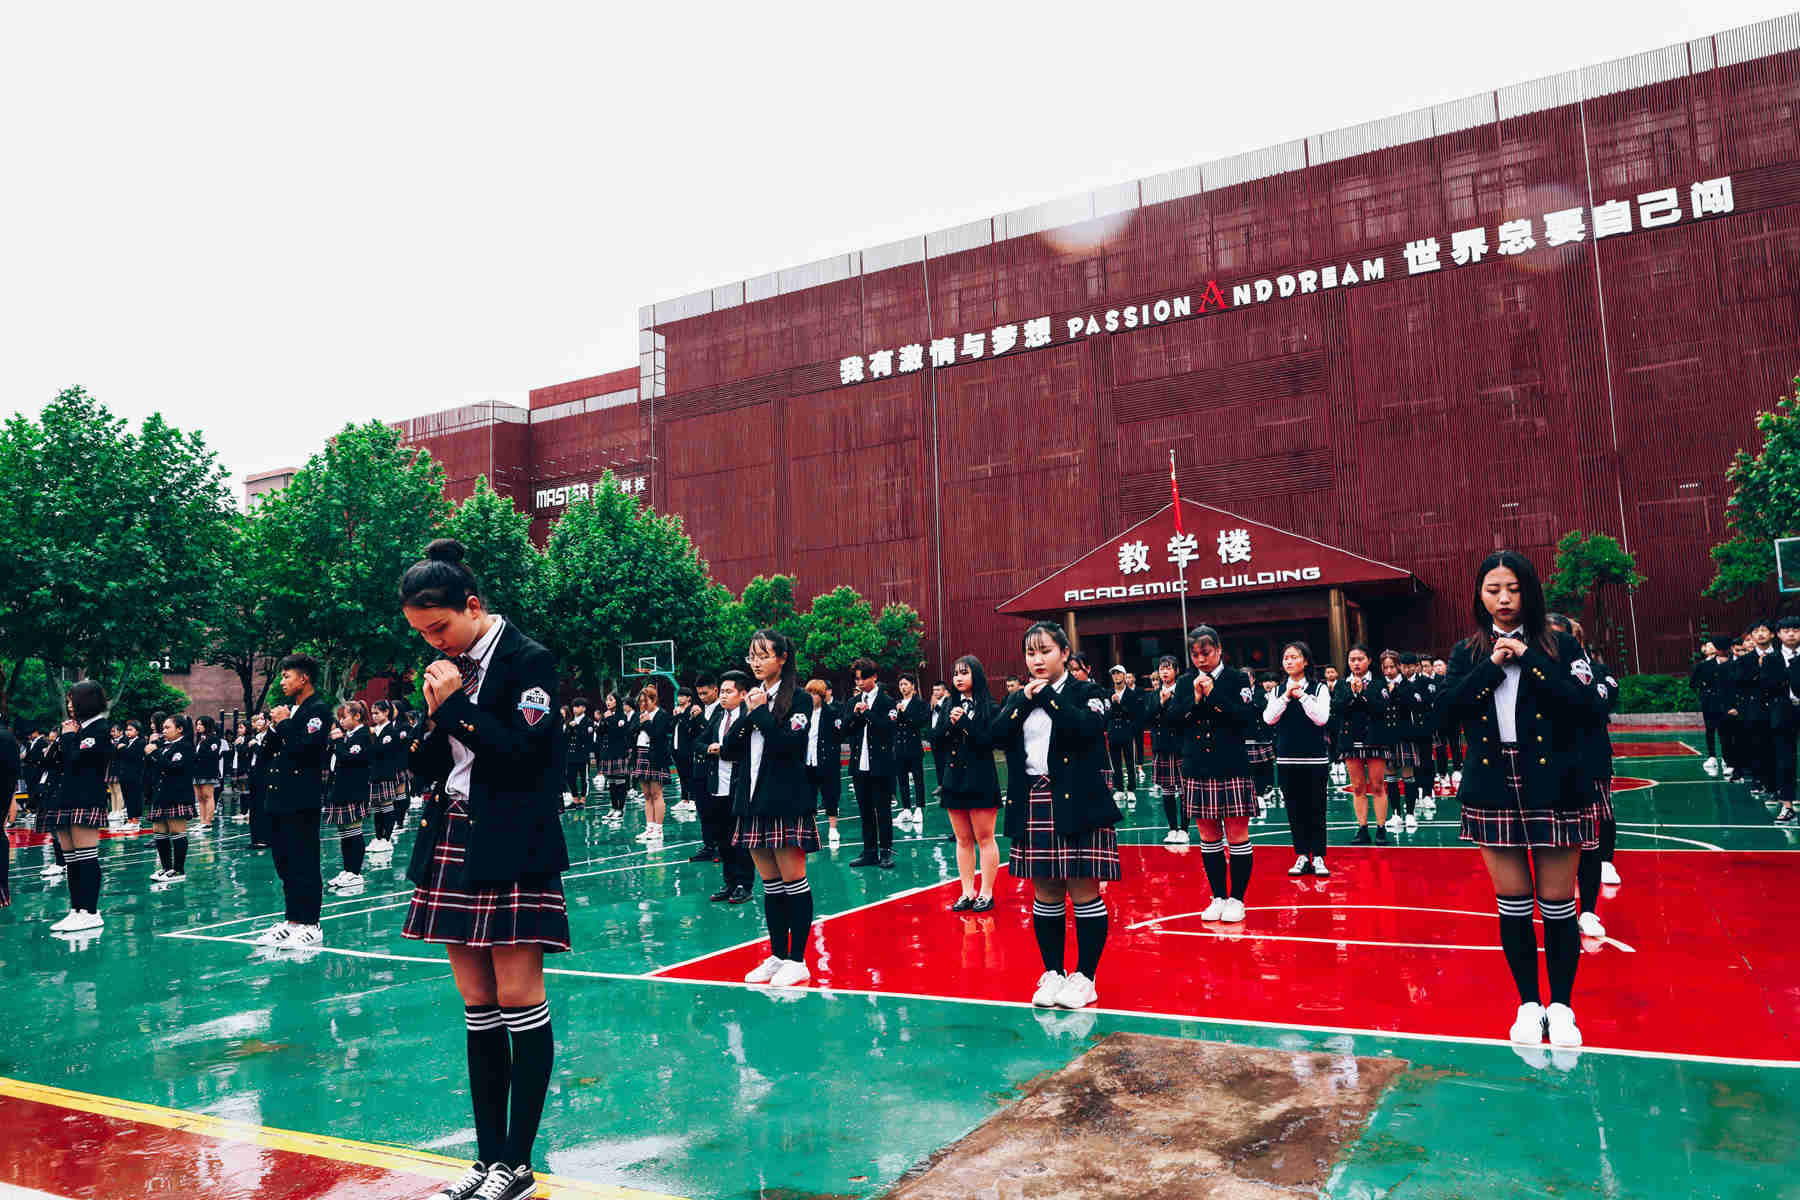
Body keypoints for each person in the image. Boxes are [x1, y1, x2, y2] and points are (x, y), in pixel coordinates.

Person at [399, 538, 570, 1200]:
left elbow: (526, 756)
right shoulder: (449, 667)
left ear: (473, 606)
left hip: (514, 840)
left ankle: (517, 1164)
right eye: (421, 633)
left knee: (520, 997)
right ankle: (486, 1157)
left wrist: (456, 712)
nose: (433, 642)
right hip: (452, 835)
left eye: (439, 627)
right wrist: (432, 720)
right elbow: (427, 765)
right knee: (477, 1005)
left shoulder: (529, 660)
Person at [1438, 550, 1607, 1053]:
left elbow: (1586, 707)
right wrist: (1493, 666)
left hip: (1555, 781)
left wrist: (1527, 658)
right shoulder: (1468, 652)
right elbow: (1444, 711)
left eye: (1513, 589)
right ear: (1479, 595)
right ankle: (1529, 1004)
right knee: (1512, 904)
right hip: (1493, 782)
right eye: (1493, 590)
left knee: (1557, 904)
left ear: (1529, 592)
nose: (1504, 599)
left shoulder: (1560, 645)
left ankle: (1563, 1006)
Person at [993, 621, 1120, 1010]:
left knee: (1083, 890)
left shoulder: (1088, 692)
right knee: (1045, 891)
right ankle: (1053, 972)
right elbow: (994, 737)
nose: (1037, 660)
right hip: (1033, 799)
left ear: (1064, 653)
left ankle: (1085, 977)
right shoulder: (1020, 697)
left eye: (1045, 651)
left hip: (1079, 799)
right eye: (1030, 653)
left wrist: (1047, 696)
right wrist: (1022, 701)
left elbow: (1086, 728)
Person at [724, 629, 818, 988]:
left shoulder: (800, 699)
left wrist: (761, 711)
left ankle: (798, 960)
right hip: (751, 802)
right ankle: (778, 955)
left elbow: (788, 745)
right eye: (752, 655)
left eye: (764, 655)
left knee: (794, 881)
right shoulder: (753, 699)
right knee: (771, 885)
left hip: (785, 801)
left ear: (782, 658)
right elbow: (730, 748)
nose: (756, 662)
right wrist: (748, 713)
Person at [1173, 625, 1262, 910]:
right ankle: (1218, 897)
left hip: (1231, 764)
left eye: (1206, 653)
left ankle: (1237, 898)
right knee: (1208, 837)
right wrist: (1195, 699)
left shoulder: (1237, 679)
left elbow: (1247, 719)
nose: (1200, 659)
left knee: (1237, 836)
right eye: (1195, 654)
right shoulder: (1185, 682)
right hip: (1197, 765)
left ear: (1219, 650)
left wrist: (1214, 695)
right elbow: (1173, 720)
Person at [253, 655, 333, 953]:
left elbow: (305, 750)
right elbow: (267, 753)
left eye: (287, 676)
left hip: (301, 798)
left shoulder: (318, 711)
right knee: (284, 862)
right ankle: (292, 920)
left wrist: (285, 724)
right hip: (279, 797)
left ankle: (311, 923)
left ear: (304, 678)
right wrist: (275, 728)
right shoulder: (291, 712)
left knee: (304, 861)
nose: (282, 682)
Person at [42, 681, 114, 934]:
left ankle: (91, 912)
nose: (70, 705)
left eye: (73, 700)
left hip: (86, 798)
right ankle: (76, 910)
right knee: (71, 859)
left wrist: (69, 737)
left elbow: (76, 760)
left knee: (86, 857)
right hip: (65, 797)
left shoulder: (99, 729)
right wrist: (63, 739)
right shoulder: (78, 729)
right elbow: (53, 761)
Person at [940, 654, 1001, 911]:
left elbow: (989, 741)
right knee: (962, 839)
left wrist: (964, 722)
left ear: (976, 674)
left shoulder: (990, 707)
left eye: (964, 673)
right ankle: (967, 891)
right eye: (955, 673)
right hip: (954, 779)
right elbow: (937, 738)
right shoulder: (948, 705)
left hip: (980, 778)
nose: (958, 678)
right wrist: (950, 724)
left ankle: (986, 892)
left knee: (985, 838)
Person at [700, 671, 756, 903]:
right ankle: (729, 882)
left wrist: (721, 750)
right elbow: (698, 742)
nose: (723, 695)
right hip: (717, 785)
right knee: (722, 838)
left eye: (728, 691)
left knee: (740, 839)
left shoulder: (748, 717)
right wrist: (708, 749)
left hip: (739, 785)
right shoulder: (718, 717)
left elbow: (739, 748)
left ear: (742, 694)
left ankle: (744, 884)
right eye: (721, 691)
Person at [844, 660, 897, 868]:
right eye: (856, 678)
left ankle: (886, 852)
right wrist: (855, 714)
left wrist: (867, 713)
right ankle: (869, 851)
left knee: (882, 810)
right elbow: (845, 729)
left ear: (874, 677)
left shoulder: (887, 701)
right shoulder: (853, 701)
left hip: (881, 765)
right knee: (865, 810)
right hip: (859, 764)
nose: (859, 682)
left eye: (863, 678)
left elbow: (888, 728)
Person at [1333, 646, 1388, 846]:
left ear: (1369, 660)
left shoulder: (1379, 683)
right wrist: (1351, 693)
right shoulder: (1342, 684)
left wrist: (1363, 693)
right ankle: (1362, 828)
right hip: (1350, 739)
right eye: (1352, 659)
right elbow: (1337, 708)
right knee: (1357, 787)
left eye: (1360, 659)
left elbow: (1381, 708)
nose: (1356, 663)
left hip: (1374, 737)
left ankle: (1381, 828)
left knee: (1377, 785)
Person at [323, 701, 373, 895]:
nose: (341, 721)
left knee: (353, 831)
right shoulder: (349, 737)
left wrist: (337, 741)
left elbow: (348, 758)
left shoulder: (363, 736)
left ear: (357, 716)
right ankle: (347, 870)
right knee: (344, 832)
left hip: (354, 790)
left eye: (344, 717)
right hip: (341, 790)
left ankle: (355, 873)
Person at [148, 715, 199, 883]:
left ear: (180, 729)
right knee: (159, 830)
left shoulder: (185, 746)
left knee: (177, 831)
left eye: (167, 727)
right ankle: (166, 868)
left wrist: (154, 752)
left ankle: (178, 870)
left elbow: (174, 768)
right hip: (160, 793)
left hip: (177, 794)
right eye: (163, 727)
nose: (163, 731)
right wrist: (152, 752)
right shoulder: (163, 746)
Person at [802, 679, 845, 850]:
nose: (811, 697)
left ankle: (833, 828)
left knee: (830, 794)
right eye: (809, 693)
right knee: (808, 796)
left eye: (814, 693)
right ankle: (811, 829)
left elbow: (839, 735)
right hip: (808, 760)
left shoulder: (832, 713)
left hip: (827, 761)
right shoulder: (802, 714)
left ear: (821, 695)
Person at [1146, 656, 1185, 843]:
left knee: (1185, 790)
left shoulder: (1183, 692)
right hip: (1162, 747)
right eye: (1162, 668)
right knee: (1167, 791)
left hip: (1181, 747)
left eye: (1168, 668)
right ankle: (1172, 829)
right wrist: (1161, 703)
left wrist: (1170, 701)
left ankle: (1184, 829)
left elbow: (1184, 716)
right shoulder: (1153, 695)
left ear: (1176, 671)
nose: (1164, 672)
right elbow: (1147, 718)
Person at [630, 684, 674, 845]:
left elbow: (657, 735)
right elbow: (631, 731)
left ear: (653, 700)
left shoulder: (662, 715)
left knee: (656, 793)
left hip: (655, 756)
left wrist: (647, 722)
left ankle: (658, 829)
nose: (642, 704)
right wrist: (641, 721)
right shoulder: (640, 715)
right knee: (647, 795)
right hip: (641, 754)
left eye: (645, 701)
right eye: (640, 701)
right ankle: (649, 827)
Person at [1768, 616, 1800, 824]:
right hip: (1783, 713)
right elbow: (1766, 687)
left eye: (1795, 630)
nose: (1791, 634)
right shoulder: (1771, 659)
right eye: (1786, 630)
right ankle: (1787, 805)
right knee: (1785, 760)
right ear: (1778, 635)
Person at [367, 700, 407, 855]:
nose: (374, 716)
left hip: (386, 773)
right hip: (375, 773)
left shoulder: (390, 731)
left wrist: (371, 740)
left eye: (377, 713)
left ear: (386, 712)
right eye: (372, 713)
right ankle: (378, 837)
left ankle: (387, 838)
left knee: (386, 806)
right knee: (377, 809)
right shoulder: (375, 731)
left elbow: (380, 751)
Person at [892, 675, 928, 827]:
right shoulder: (896, 703)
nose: (903, 687)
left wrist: (904, 712)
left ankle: (919, 808)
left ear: (912, 686)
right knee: (902, 780)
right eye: (901, 684)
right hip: (899, 748)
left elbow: (919, 722)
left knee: (918, 779)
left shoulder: (920, 704)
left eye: (906, 684)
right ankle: (906, 809)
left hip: (913, 747)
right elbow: (892, 724)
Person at [1691, 642, 1731, 776]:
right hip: (1708, 701)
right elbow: (1693, 683)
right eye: (1708, 646)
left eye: (1713, 645)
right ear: (1704, 650)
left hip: (1723, 700)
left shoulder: (1726, 661)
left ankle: (1726, 757)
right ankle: (1712, 756)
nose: (1711, 647)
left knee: (1724, 729)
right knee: (1710, 729)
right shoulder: (1701, 665)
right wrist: (1703, 686)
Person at [1106, 665, 1138, 804]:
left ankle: (1131, 789)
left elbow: (1134, 714)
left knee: (1130, 761)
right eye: (1113, 674)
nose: (1116, 676)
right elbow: (1106, 713)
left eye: (1118, 673)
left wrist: (1119, 704)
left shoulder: (1131, 694)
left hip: (1126, 730)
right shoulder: (1108, 693)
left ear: (1124, 675)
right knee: (1115, 762)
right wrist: (1113, 705)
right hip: (1113, 730)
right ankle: (1119, 789)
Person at [562, 696, 593, 810]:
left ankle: (582, 800)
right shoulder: (570, 721)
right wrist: (569, 728)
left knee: (584, 778)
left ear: (583, 708)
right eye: (573, 706)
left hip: (582, 755)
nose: (574, 709)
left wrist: (577, 727)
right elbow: (565, 738)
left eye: (577, 706)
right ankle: (575, 799)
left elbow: (588, 739)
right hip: (571, 755)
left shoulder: (588, 722)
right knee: (570, 777)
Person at [927, 681, 953, 801]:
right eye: (934, 690)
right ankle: (940, 785)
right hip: (934, 736)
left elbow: (945, 715)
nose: (935, 692)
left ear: (944, 691)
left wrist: (936, 706)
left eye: (938, 690)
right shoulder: (933, 702)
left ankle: (948, 786)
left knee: (946, 762)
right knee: (938, 763)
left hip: (944, 737)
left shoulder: (948, 702)